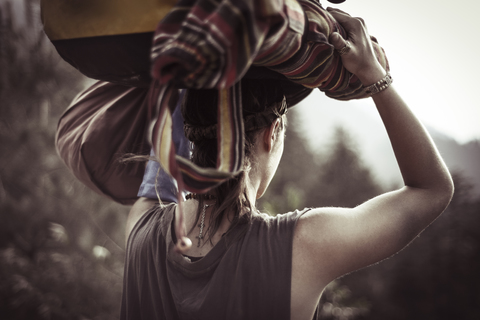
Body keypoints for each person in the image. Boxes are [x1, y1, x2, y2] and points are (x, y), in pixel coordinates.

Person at [121, 8, 454, 320]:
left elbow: (162, 160)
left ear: (193, 134)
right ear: (273, 133)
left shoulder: (141, 230)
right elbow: (432, 190)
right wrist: (373, 74)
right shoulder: (301, 247)